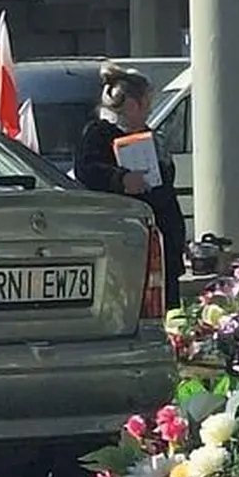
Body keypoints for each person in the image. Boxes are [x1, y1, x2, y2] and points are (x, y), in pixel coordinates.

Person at [74, 60, 186, 310]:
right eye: (147, 102)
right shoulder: (99, 133)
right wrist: (121, 179)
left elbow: (166, 187)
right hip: (125, 241)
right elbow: (86, 170)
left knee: (169, 309)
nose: (149, 109)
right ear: (133, 104)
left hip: (163, 240)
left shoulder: (151, 136)